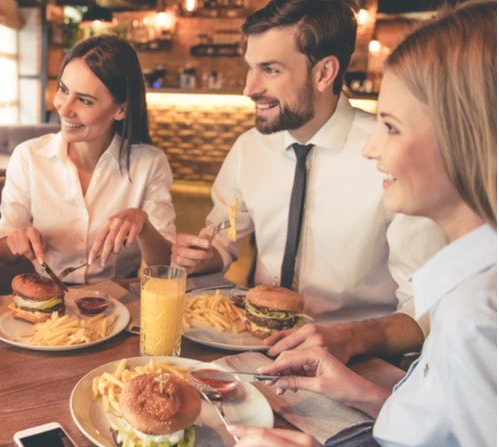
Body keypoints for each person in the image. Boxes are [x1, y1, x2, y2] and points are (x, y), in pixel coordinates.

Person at [230, 2, 496, 447]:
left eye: (390, 126)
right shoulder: (467, 290)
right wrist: (363, 393)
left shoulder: (475, 317)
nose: (371, 147)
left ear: (465, 137)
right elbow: (448, 438)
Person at [170, 0, 446, 363]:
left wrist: (353, 337)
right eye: (250, 68)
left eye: (270, 69)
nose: (249, 88)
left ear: (324, 73)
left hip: (357, 362)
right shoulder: (249, 148)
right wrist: (204, 256)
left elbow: (429, 304)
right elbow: (224, 239)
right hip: (253, 347)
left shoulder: (391, 156)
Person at [0, 35, 176, 283]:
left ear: (121, 109)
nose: (64, 109)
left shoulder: (150, 164)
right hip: (50, 296)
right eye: (64, 90)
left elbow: (165, 265)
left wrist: (144, 225)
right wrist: (14, 242)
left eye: (85, 100)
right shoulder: (28, 157)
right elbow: (0, 253)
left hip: (121, 297)